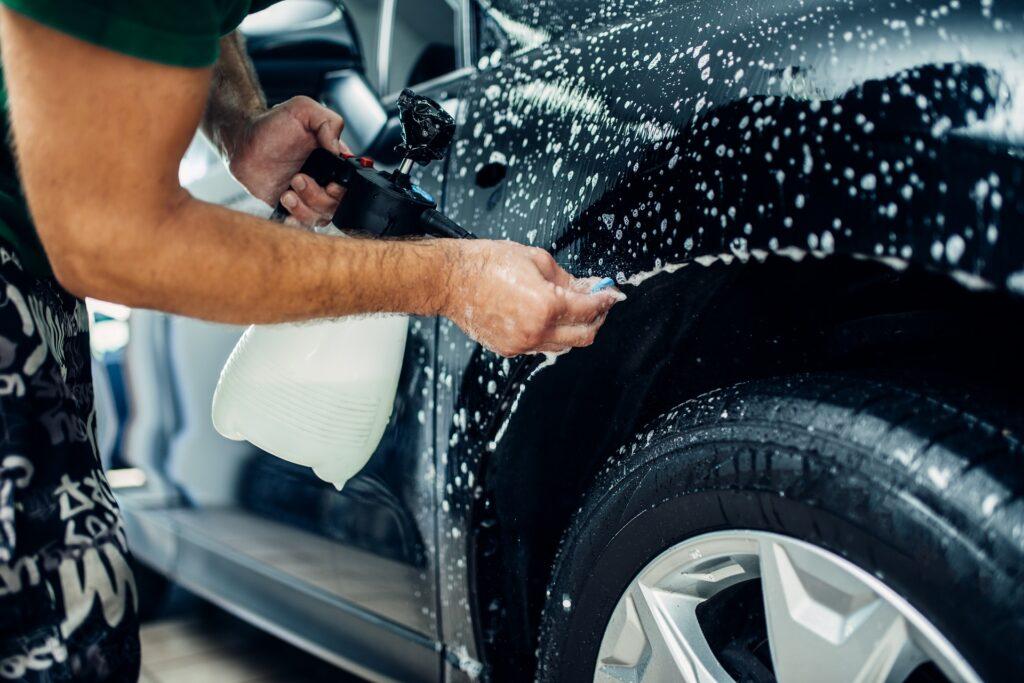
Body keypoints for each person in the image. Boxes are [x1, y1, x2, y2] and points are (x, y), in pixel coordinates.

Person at [0, 1, 621, 680]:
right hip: (40, 258)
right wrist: (450, 280)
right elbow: (111, 241)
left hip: (39, 263)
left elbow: (190, 15)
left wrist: (237, 123)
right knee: (57, 650)